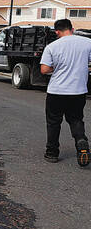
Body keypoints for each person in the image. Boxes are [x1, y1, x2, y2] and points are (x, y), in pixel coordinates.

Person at [40, 18, 91, 166]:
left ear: (57, 32)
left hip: (56, 91)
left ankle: (52, 153)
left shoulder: (52, 46)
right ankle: (81, 140)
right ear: (72, 29)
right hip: (78, 91)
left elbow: (44, 69)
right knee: (76, 119)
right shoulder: (87, 43)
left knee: (54, 122)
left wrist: (57, 68)